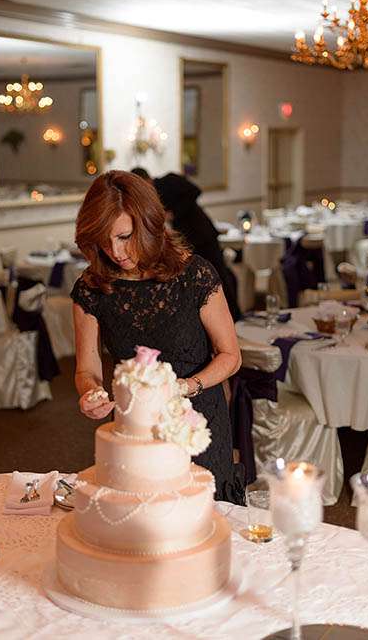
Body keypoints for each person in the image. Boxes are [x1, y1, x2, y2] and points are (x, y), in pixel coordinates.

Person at [71, 170, 244, 503]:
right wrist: (90, 392)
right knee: (143, 529)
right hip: (136, 430)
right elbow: (85, 369)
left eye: (124, 236)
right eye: (104, 240)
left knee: (204, 527)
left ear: (149, 225)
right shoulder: (92, 288)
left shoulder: (194, 275)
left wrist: (183, 387)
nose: (115, 251)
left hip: (197, 421)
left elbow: (230, 355)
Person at [131, 167, 242, 321]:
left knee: (218, 275)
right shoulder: (150, 197)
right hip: (189, 239)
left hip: (203, 234)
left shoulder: (168, 180)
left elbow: (195, 191)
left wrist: (174, 213)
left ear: (146, 179)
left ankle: (234, 317)